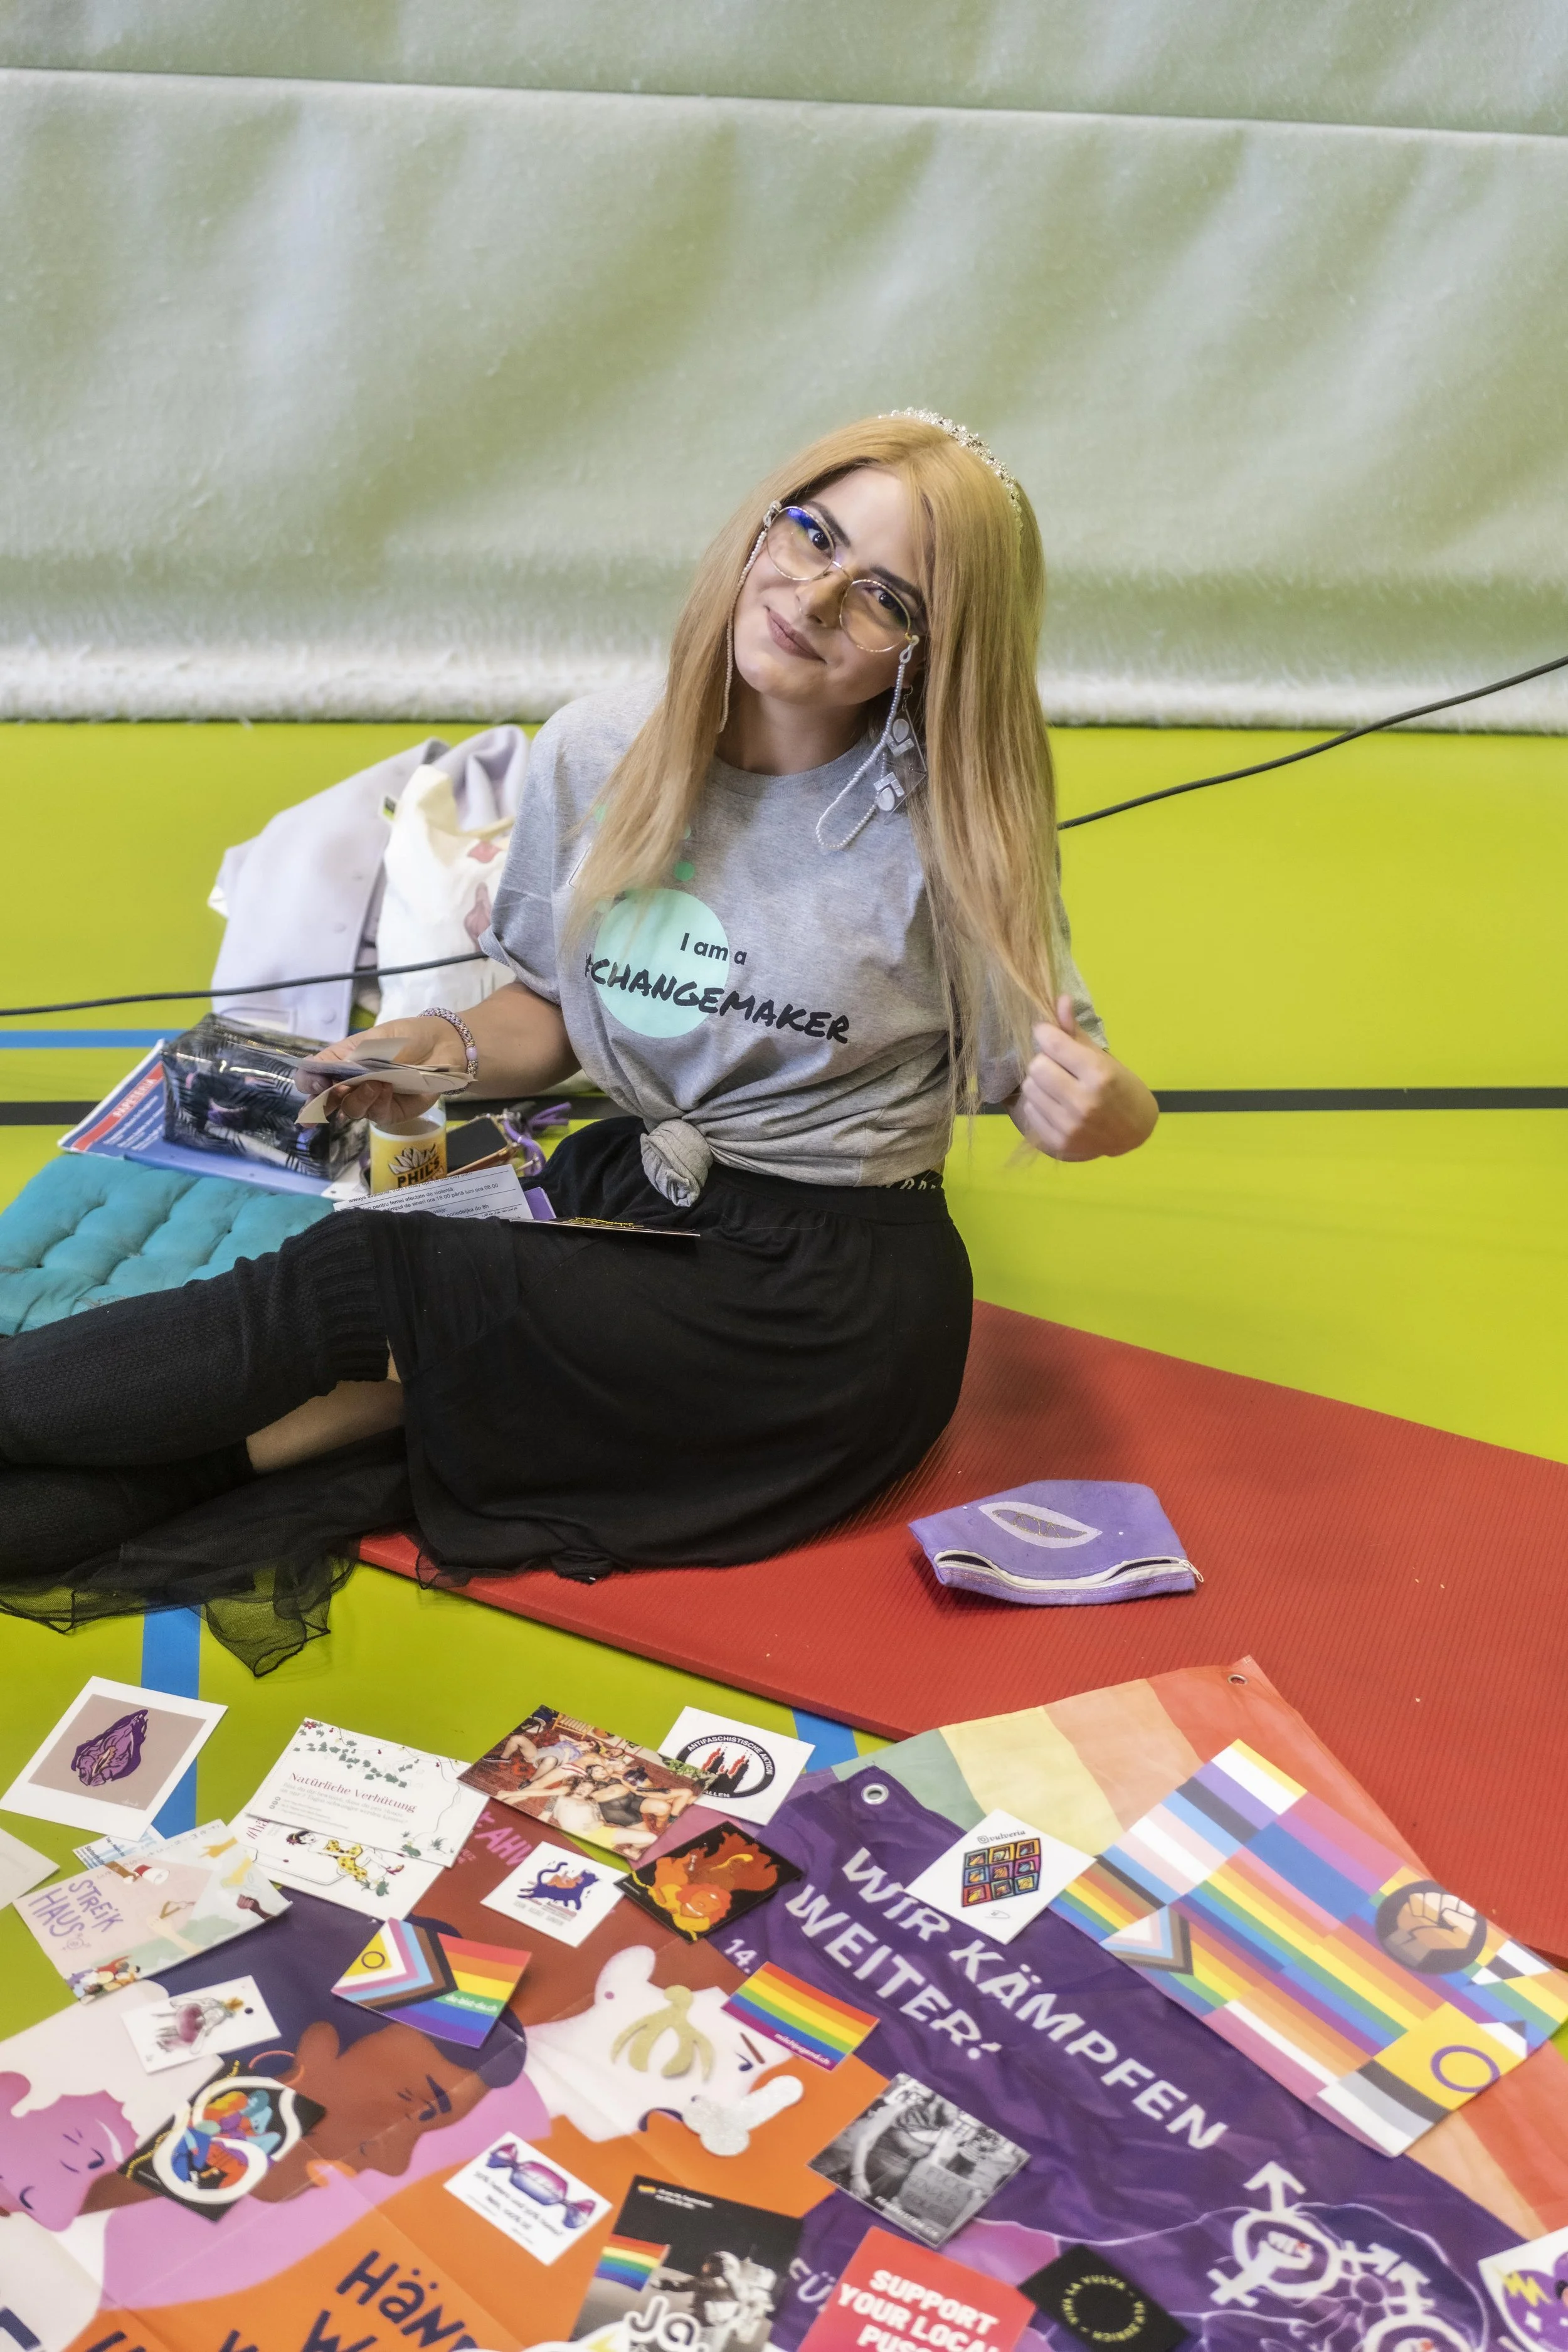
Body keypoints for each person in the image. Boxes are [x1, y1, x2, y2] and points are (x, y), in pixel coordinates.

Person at [0, 411, 1157, 1671]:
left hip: (812, 1306)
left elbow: (1077, 1089)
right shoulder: (604, 746)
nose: (813, 595)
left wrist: (1102, 1114)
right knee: (319, 1409)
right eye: (811, 534)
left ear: (932, 653)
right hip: (641, 1181)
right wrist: (422, 1055)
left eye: (881, 596)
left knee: (358, 1280)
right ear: (764, 521)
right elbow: (546, 1012)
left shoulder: (949, 833)